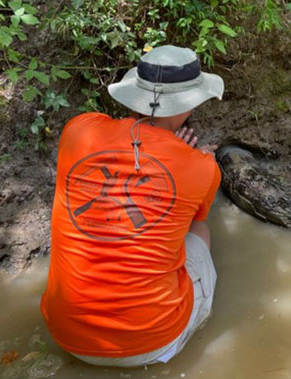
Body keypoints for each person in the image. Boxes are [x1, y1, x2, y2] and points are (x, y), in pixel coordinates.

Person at [41, 45, 224, 366]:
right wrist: (181, 154)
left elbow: (130, 144)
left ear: (133, 93)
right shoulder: (202, 167)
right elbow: (186, 220)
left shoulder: (77, 130)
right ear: (190, 103)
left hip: (65, 336)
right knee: (198, 230)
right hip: (153, 342)